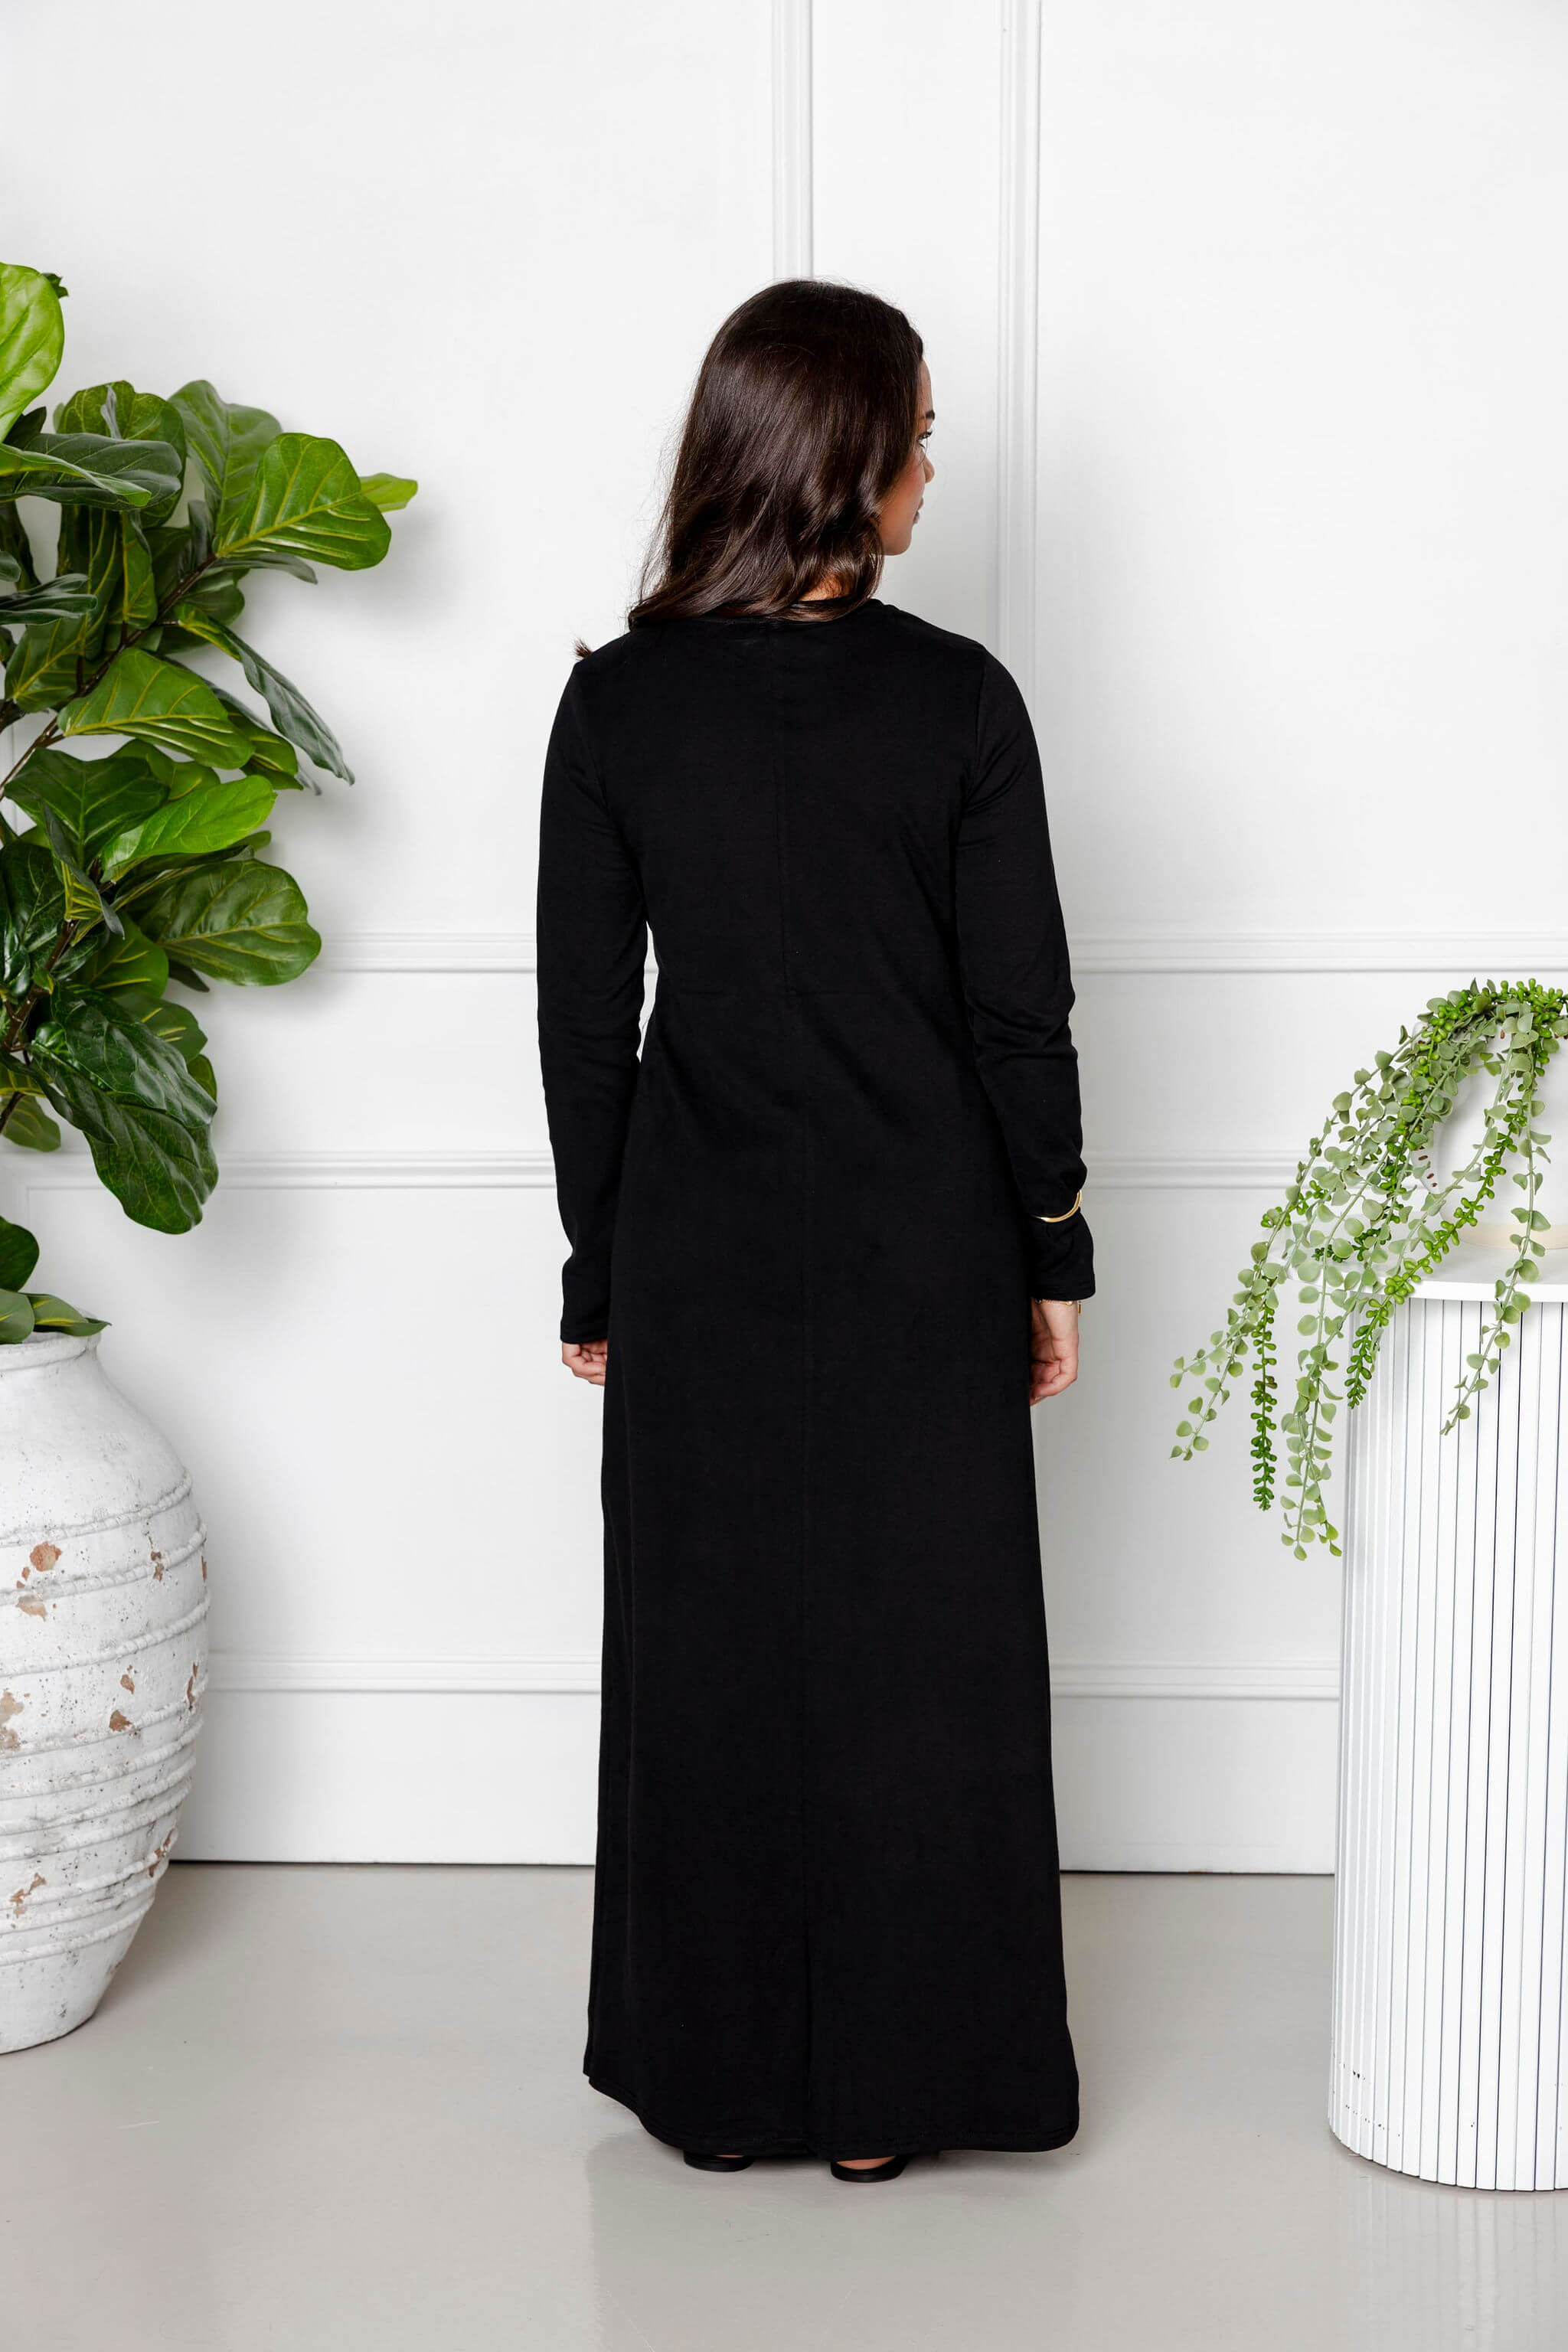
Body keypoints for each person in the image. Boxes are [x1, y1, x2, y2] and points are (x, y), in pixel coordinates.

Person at [537, 279, 1094, 2185]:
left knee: (708, 1661)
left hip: (695, 1250)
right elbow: (1019, 1015)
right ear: (842, 460)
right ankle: (886, 2101)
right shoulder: (961, 701)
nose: (934, 467)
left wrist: (598, 1266)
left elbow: (585, 1028)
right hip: (923, 1252)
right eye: (916, 436)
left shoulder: (617, 704)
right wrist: (1050, 1251)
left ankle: (721, 2091)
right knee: (917, 1671)